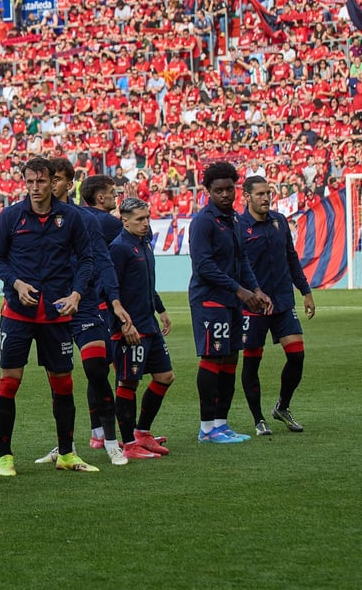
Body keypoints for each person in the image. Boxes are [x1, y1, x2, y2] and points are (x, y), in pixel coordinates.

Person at [0, 157, 100, 476]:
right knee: (10, 382)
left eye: (41, 181)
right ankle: (5, 457)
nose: (35, 188)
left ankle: (66, 453)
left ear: (53, 182)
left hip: (57, 313)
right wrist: (17, 283)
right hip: (18, 313)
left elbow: (87, 260)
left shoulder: (71, 218)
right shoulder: (10, 216)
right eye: (30, 182)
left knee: (63, 384)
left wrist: (77, 293)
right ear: (24, 182)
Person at [35, 164, 131, 467]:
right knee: (58, 382)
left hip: (86, 306)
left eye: (58, 179)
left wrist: (115, 302)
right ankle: (65, 446)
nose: (52, 185)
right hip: (53, 308)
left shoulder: (86, 220)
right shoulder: (33, 220)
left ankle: (112, 443)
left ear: (68, 183)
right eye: (49, 179)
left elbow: (103, 262)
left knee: (96, 370)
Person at [188, 161, 272, 444]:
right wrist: (240, 291)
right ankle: (206, 427)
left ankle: (221, 424)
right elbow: (204, 266)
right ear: (207, 191)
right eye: (218, 190)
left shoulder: (234, 219)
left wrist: (256, 289)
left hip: (233, 301)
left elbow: (242, 259)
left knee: (231, 357)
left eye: (229, 189)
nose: (225, 194)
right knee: (213, 357)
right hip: (210, 300)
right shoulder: (203, 222)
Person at [237, 175, 313, 434]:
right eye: (260, 194)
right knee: (252, 363)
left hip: (282, 301)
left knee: (297, 355)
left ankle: (282, 406)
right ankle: (258, 419)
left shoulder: (279, 222)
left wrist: (305, 290)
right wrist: (247, 294)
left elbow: (291, 258)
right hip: (254, 306)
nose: (266, 197)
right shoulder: (238, 226)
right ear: (246, 196)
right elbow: (236, 267)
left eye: (268, 193)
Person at [107, 198, 174, 460]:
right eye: (139, 219)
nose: (146, 223)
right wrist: (125, 324)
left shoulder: (143, 243)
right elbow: (110, 289)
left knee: (165, 376)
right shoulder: (119, 248)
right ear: (124, 221)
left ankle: (142, 432)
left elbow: (145, 283)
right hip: (130, 327)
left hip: (150, 324)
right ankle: (128, 443)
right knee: (128, 382)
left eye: (147, 218)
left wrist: (161, 309)